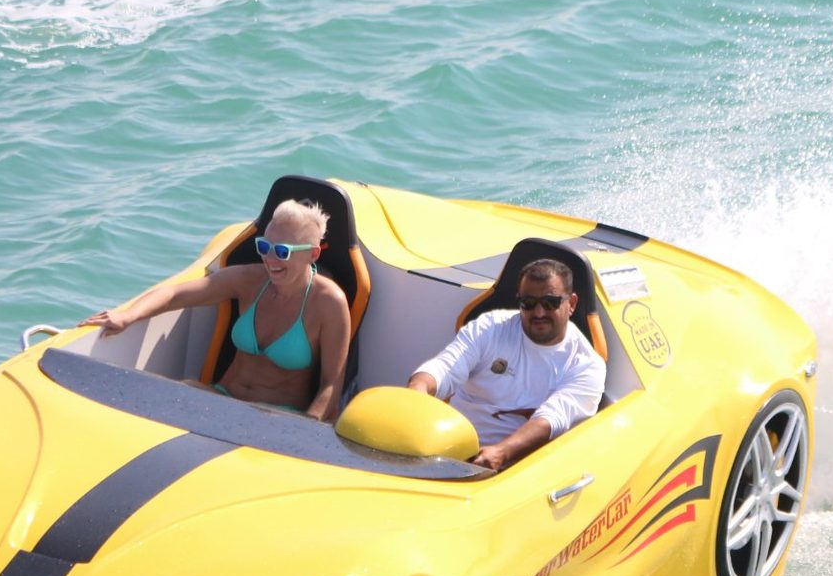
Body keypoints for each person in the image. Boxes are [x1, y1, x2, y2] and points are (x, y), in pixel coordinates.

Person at [82, 198, 352, 421]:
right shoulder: (249, 280)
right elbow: (174, 295)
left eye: (282, 252)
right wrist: (127, 316)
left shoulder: (329, 303)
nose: (270, 259)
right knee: (169, 394)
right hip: (220, 400)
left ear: (312, 254)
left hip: (278, 419)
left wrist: (304, 432)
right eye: (264, 247)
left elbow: (330, 386)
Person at [408, 259, 605, 471]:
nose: (539, 313)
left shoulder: (588, 365)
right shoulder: (489, 327)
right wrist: (418, 389)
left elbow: (550, 419)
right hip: (447, 448)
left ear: (571, 303)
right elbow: (445, 368)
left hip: (515, 470)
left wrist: (501, 453)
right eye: (528, 303)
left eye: (550, 302)